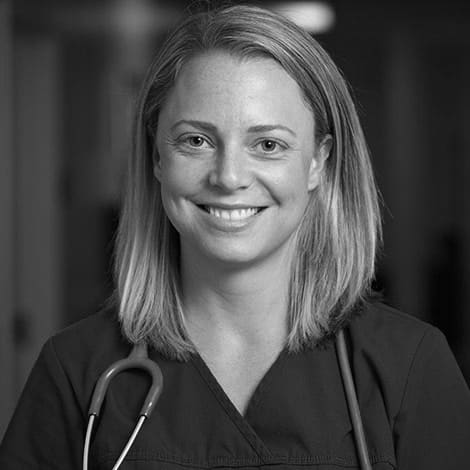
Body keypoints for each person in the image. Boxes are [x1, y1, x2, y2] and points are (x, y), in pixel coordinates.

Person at [1, 4, 470, 469]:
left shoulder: (410, 367)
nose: (228, 177)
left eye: (268, 144)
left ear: (317, 163)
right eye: (196, 140)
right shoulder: (76, 370)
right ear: (157, 157)